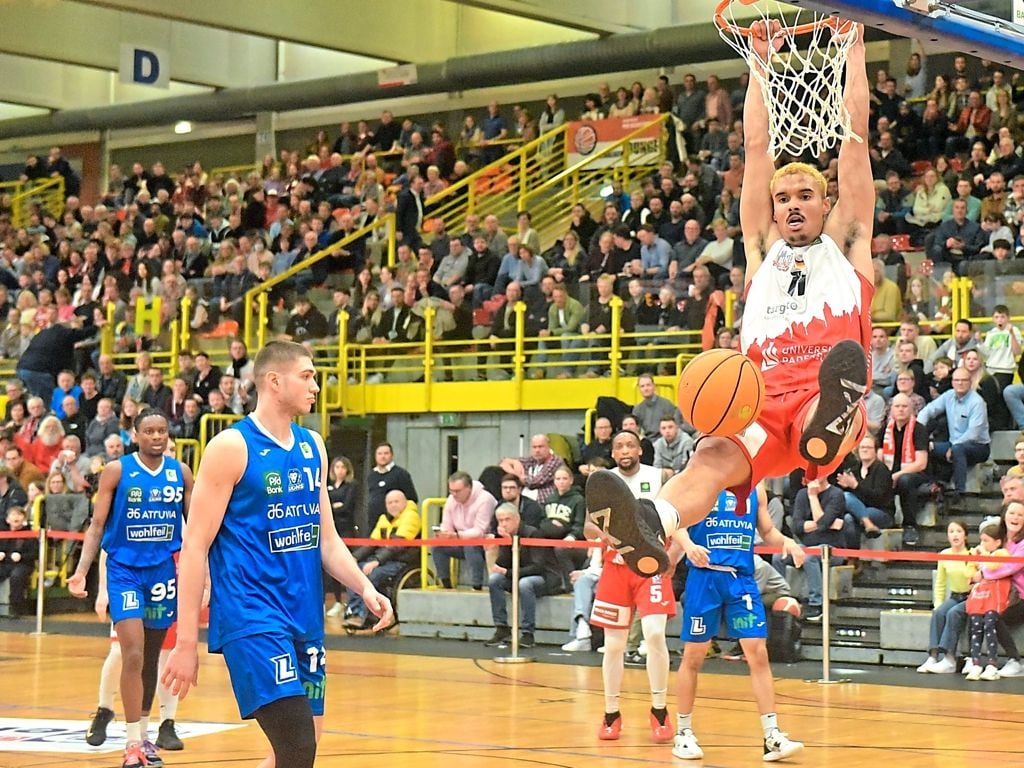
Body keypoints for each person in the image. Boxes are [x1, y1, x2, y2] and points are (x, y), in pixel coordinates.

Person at [586, 20, 874, 578]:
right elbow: (757, 145)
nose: (792, 204)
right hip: (759, 401)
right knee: (711, 455)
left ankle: (829, 426)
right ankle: (652, 521)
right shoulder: (762, 248)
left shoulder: (848, 239)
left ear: (826, 203)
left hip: (821, 389)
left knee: (832, 403)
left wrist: (854, 48)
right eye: (783, 196)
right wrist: (760, 64)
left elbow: (855, 132)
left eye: (806, 195)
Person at [162, 341, 394, 768]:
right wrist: (186, 641)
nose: (316, 387)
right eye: (306, 376)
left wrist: (365, 585)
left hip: (302, 615)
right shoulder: (231, 447)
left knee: (295, 755)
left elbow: (326, 539)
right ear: (273, 381)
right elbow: (194, 547)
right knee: (296, 745)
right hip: (252, 616)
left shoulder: (313, 446)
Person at [68, 410, 193, 768]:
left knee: (152, 656)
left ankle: (147, 736)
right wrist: (81, 572)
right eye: (149, 431)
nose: (156, 436)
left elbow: (199, 527)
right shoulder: (117, 471)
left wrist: (213, 576)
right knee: (132, 652)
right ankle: (132, 742)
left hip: (162, 572)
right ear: (135, 435)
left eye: (162, 431)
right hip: (124, 570)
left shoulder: (180, 473)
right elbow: (96, 526)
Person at [672, 487, 805, 762]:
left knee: (758, 653)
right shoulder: (703, 480)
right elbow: (676, 522)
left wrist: (787, 542)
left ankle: (772, 735)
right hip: (704, 579)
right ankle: (683, 733)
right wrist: (688, 546)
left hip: (741, 581)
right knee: (693, 657)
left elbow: (767, 531)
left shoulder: (755, 487)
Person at [587, 430, 677, 744]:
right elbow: (588, 527)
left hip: (650, 567)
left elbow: (678, 518)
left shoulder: (660, 477)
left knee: (654, 634)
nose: (625, 450)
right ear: (612, 452)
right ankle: (611, 712)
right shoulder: (603, 482)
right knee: (613, 645)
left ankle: (660, 709)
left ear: (640, 449)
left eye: (630, 445)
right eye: (619, 446)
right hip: (615, 568)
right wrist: (609, 535)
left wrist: (675, 553)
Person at [483, 503, 562, 649]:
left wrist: (509, 573)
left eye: (507, 519)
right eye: (500, 521)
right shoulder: (505, 535)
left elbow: (538, 567)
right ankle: (502, 628)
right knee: (494, 580)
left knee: (525, 584)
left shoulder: (533, 533)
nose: (504, 524)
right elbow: (502, 564)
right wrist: (506, 543)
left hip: (545, 577)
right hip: (518, 576)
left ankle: (528, 633)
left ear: (517, 519)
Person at [344, 489, 420, 630]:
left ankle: (364, 615)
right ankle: (353, 612)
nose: (393, 505)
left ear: (405, 502)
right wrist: (354, 557)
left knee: (374, 574)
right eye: (389, 503)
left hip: (403, 561)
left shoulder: (411, 517)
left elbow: (396, 545)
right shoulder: (384, 519)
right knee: (354, 571)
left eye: (396, 501)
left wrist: (376, 561)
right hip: (385, 559)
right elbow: (373, 542)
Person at [916, 367, 990, 505]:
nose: (960, 383)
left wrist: (955, 445)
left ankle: (959, 491)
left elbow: (973, 433)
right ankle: (934, 484)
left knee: (958, 449)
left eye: (963, 380)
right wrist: (917, 430)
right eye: (956, 380)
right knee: (926, 447)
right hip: (954, 443)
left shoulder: (977, 402)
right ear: (952, 382)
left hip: (978, 446)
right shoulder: (949, 395)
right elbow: (928, 411)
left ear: (970, 382)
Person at [917, 520, 973, 673]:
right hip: (955, 595)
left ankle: (950, 658)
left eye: (959, 531)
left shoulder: (972, 554)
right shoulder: (944, 555)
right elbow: (940, 583)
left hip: (970, 596)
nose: (955, 535)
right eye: (951, 531)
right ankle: (933, 656)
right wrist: (938, 602)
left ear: (965, 536)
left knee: (952, 613)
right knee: (939, 612)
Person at [963, 517, 1011, 681]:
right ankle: (976, 662)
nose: (982, 544)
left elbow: (994, 566)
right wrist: (972, 560)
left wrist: (983, 555)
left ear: (997, 542)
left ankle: (992, 664)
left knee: (990, 625)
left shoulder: (1001, 553)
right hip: (980, 596)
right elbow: (969, 575)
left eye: (986, 540)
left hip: (995, 596)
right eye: (981, 540)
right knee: (976, 626)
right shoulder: (980, 556)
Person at [432, 470, 497, 590]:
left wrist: (457, 535)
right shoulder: (452, 499)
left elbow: (480, 530)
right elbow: (446, 523)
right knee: (437, 545)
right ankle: (446, 584)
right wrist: (444, 533)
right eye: (451, 491)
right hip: (461, 539)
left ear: (469, 488)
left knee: (470, 544)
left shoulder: (485, 499)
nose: (454, 494)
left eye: (457, 491)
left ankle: (476, 585)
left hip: (486, 543)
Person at [366, 442, 418, 522]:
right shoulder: (371, 475)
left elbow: (412, 498)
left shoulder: (401, 474)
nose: (383, 456)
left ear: (392, 455)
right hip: (373, 521)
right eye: (379, 454)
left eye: (386, 453)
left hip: (394, 522)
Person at [0, 506, 37, 615]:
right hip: (4, 563)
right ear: (7, 519)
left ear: (24, 518)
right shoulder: (2, 533)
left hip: (23, 564)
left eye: (19, 515)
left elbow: (35, 553)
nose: (16, 517)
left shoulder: (29, 534)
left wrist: (22, 556)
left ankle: (15, 608)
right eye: (13, 514)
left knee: (17, 576)